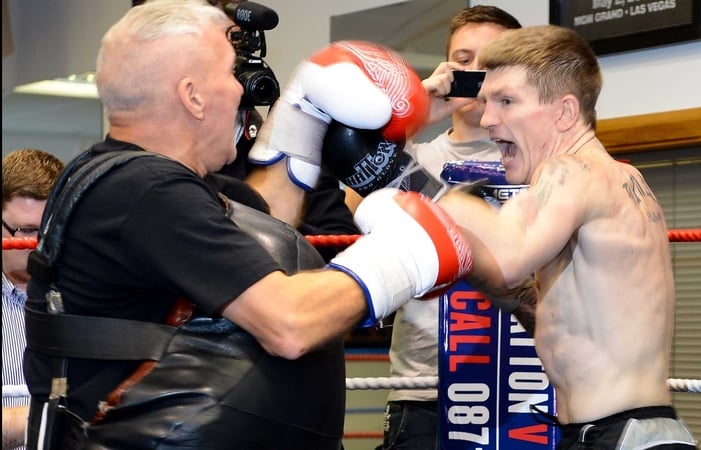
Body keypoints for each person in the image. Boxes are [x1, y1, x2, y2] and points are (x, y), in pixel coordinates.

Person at [21, 1, 471, 448]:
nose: (241, 93)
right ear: (192, 95)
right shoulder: (145, 190)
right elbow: (290, 324)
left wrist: (302, 117)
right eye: (228, 75)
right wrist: (404, 256)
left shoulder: (144, 181)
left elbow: (264, 236)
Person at [432, 25, 699, 449]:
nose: (487, 119)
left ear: (564, 112)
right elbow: (551, 304)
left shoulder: (571, 172)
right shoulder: (615, 178)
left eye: (506, 102)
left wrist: (428, 194)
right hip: (618, 430)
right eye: (486, 102)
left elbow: (507, 258)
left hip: (621, 433)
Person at [377, 6, 522, 450]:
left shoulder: (535, 161)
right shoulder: (412, 156)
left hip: (519, 381)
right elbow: (345, 213)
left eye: (490, 61)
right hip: (424, 389)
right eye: (462, 58)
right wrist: (417, 113)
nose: (473, 71)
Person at [2, 149, 64, 450]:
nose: (37, 246)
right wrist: (43, 420)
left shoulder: (86, 301)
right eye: (25, 230)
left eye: (48, 232)